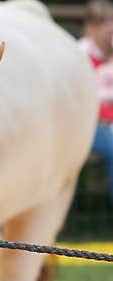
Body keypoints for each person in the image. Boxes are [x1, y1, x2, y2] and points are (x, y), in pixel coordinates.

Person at [79, 0, 113, 202]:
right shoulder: (81, 54)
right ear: (90, 27)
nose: (110, 28)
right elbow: (86, 97)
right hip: (88, 124)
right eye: (104, 23)